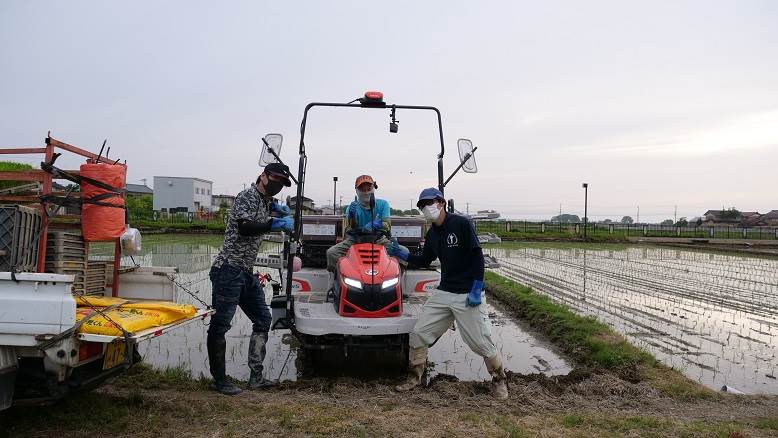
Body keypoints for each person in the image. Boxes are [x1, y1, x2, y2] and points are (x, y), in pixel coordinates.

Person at [388, 187, 508, 399]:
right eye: (422, 205)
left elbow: (477, 256)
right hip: (445, 292)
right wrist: (402, 253)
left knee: (481, 342)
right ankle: (415, 377)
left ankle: (499, 380)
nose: (426, 208)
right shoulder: (432, 233)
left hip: (468, 293)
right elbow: (424, 260)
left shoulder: (461, 224)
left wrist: (477, 287)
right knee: (419, 332)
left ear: (441, 203)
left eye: (429, 203)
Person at [207, 162, 294, 395]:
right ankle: (220, 380)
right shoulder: (247, 196)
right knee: (221, 325)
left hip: (245, 272)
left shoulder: (266, 202)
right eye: (275, 180)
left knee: (263, 318)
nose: (277, 186)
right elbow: (245, 228)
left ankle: (256, 377)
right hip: (228, 270)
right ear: (263, 176)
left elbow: (275, 210)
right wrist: (274, 223)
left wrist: (282, 213)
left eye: (282, 184)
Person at [325, 174, 407, 271]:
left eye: (369, 188)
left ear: (373, 188)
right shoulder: (352, 208)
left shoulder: (383, 204)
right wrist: (352, 217)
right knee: (331, 253)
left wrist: (378, 224)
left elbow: (387, 224)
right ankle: (339, 277)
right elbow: (352, 227)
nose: (366, 192)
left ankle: (396, 278)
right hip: (356, 240)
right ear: (357, 191)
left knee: (404, 252)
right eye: (363, 189)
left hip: (379, 239)